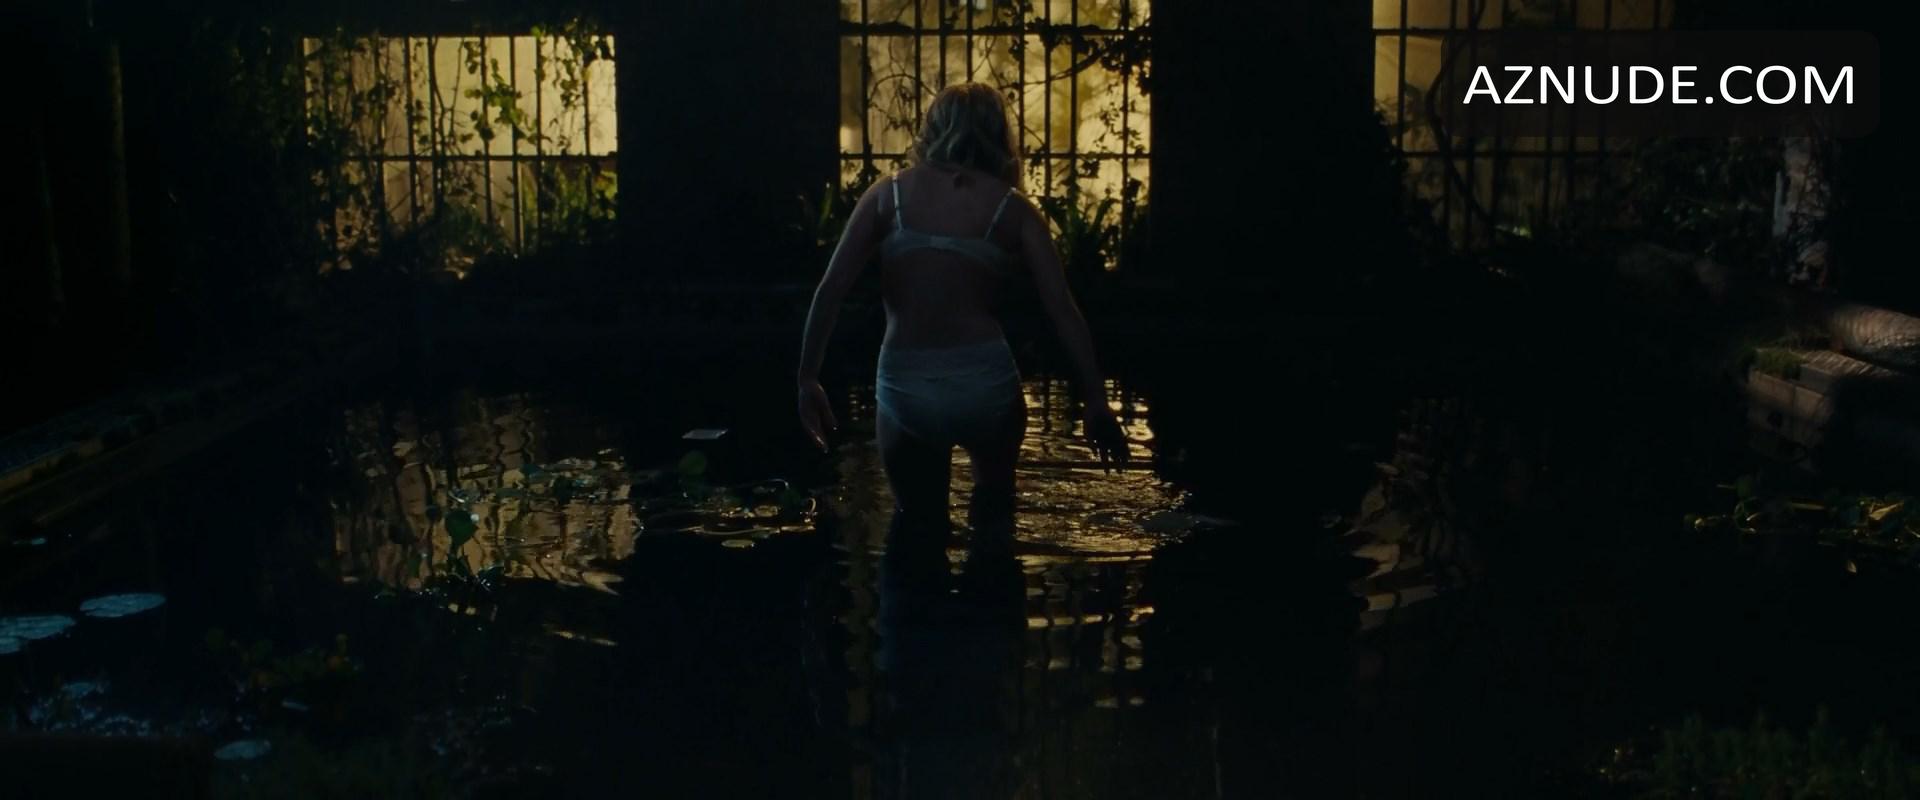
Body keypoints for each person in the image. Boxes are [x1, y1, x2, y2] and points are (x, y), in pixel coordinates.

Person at [795, 81, 1128, 564]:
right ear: (999, 134)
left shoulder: (887, 195)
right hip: (984, 381)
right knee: (994, 522)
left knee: (917, 529)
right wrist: (1095, 398)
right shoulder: (1013, 209)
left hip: (906, 382)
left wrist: (808, 377)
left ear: (933, 127)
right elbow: (1062, 309)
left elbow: (830, 290)